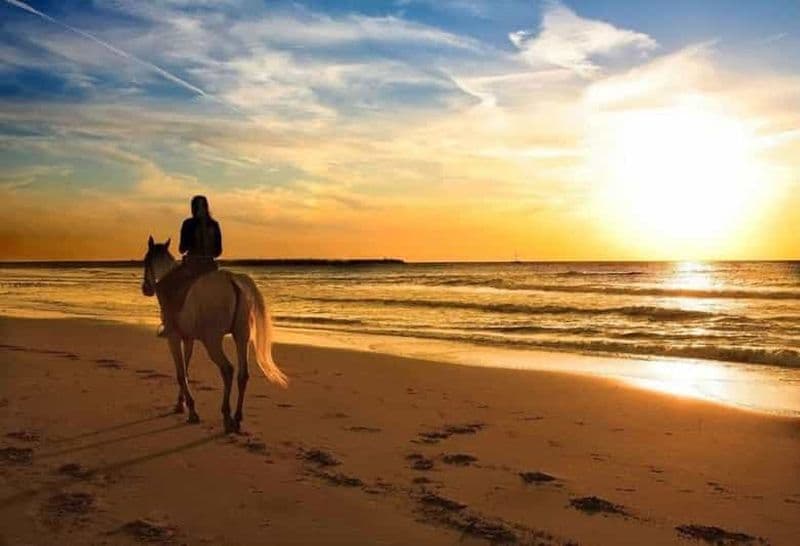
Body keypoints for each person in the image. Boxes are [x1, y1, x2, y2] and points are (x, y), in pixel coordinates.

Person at [156, 195, 223, 337]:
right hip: (211, 267)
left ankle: (169, 324)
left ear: (193, 209)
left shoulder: (188, 224)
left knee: (162, 286)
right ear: (206, 207)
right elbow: (218, 252)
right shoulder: (214, 224)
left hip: (193, 267)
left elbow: (182, 249)